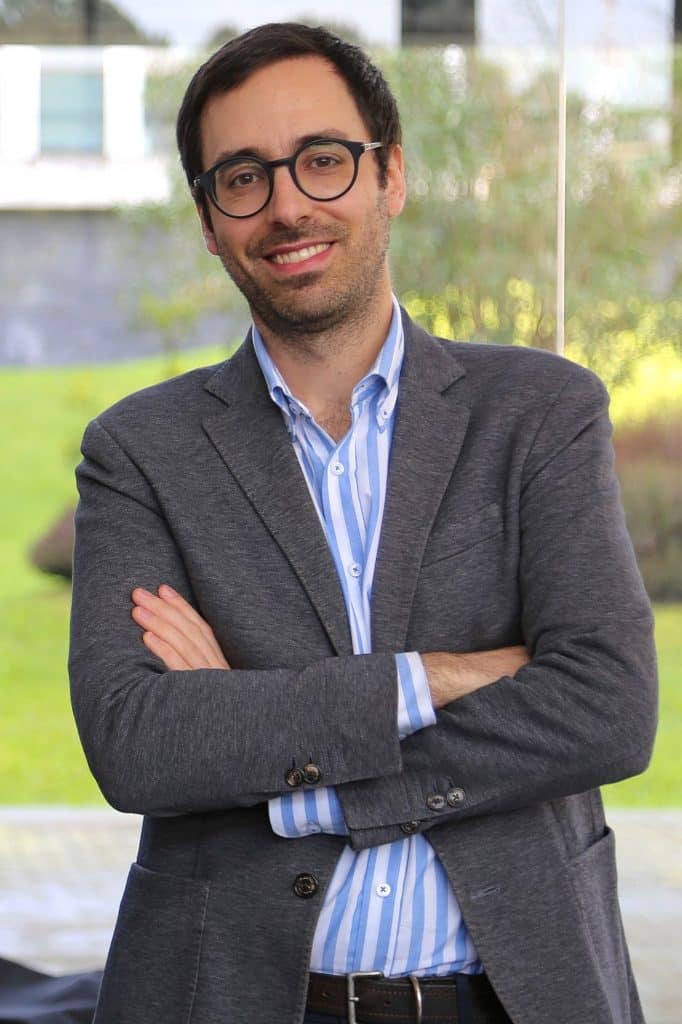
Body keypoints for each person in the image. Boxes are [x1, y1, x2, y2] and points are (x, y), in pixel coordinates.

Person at [68, 22, 657, 1024]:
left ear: (390, 175)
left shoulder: (540, 414)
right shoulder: (141, 450)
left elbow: (606, 707)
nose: (287, 204)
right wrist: (431, 678)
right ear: (208, 221)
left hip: (513, 997)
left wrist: (284, 758)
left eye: (323, 159)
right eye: (243, 177)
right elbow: (139, 744)